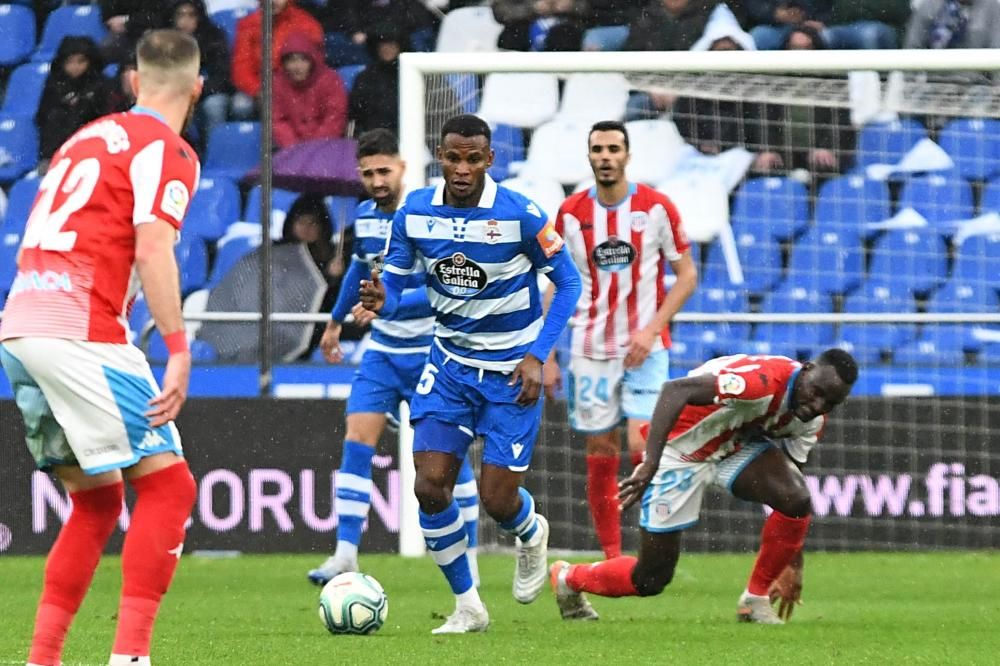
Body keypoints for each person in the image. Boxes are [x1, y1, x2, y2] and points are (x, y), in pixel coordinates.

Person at [0, 29, 202, 666]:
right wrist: (178, 348)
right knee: (170, 490)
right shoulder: (169, 150)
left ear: (133, 83)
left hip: (20, 324)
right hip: (78, 327)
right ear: (198, 88)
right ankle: (131, 659)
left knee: (98, 499)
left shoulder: (83, 137)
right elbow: (152, 244)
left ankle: (42, 659)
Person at [359, 114, 583, 634]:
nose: (461, 169)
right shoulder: (414, 212)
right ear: (440, 156)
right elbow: (393, 284)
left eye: (473, 159)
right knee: (430, 487)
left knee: (497, 501)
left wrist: (538, 354)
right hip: (450, 366)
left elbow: (568, 284)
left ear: (489, 160)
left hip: (512, 374)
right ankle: (469, 605)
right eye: (453, 158)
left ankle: (529, 533)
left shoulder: (521, 216)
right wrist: (380, 298)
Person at [549, 349, 858, 624]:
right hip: (679, 450)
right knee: (651, 579)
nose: (817, 405)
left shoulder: (812, 421)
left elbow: (788, 493)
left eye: (830, 402)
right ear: (806, 370)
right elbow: (675, 390)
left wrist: (793, 563)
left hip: (735, 447)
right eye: (816, 392)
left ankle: (755, 600)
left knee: (796, 497)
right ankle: (569, 578)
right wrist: (650, 463)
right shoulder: (760, 383)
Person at [307, 129, 482, 586]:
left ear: (403, 167)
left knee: (447, 458)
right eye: (368, 173)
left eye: (384, 171)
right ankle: (346, 552)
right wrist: (335, 321)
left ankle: (472, 555)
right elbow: (361, 273)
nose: (377, 181)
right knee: (356, 438)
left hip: (430, 351)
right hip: (383, 351)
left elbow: (442, 286)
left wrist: (390, 304)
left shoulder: (427, 214)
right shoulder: (364, 216)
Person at [546, 120, 698, 561]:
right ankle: (613, 557)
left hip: (644, 349)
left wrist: (651, 330)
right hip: (590, 349)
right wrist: (547, 352)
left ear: (627, 155)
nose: (606, 156)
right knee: (600, 448)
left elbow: (687, 277)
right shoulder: (571, 213)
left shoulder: (656, 208)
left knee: (643, 442)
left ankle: (653, 548)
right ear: (589, 156)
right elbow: (556, 284)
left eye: (614, 148)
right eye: (598, 149)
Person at [230, 0, 324, 120]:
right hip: (259, 87)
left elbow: (315, 64)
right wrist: (257, 90)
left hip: (295, 86)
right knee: (241, 106)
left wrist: (286, 90)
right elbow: (241, 67)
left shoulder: (306, 24)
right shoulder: (248, 24)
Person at [35, 36, 110, 171]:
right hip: (56, 154)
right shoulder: (54, 86)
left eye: (81, 61)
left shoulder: (101, 86)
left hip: (93, 154)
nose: (75, 66)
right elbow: (43, 119)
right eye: (70, 61)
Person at [272, 33, 348, 149]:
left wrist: (313, 146)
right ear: (284, 63)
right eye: (292, 61)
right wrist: (294, 147)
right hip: (291, 150)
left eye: (303, 60)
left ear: (313, 61)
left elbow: (335, 117)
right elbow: (277, 121)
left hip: (326, 147)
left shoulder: (331, 80)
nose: (297, 66)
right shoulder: (277, 83)